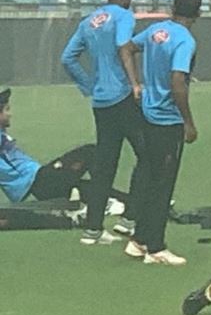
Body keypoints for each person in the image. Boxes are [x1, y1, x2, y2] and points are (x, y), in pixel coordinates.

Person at [60, 0, 148, 245]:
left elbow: (68, 58)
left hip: (101, 102)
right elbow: (124, 46)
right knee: (147, 155)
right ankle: (130, 218)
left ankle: (93, 230)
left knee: (105, 164)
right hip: (122, 96)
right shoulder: (123, 16)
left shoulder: (89, 22)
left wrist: (88, 85)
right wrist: (134, 83)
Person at [119, 0, 202, 266]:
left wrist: (136, 84)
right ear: (199, 13)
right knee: (163, 185)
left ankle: (139, 239)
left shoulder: (157, 31)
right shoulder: (185, 41)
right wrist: (188, 122)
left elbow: (128, 47)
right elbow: (178, 82)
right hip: (167, 121)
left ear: (172, 7)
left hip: (146, 115)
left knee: (151, 179)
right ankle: (155, 246)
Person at [0, 88, 128, 223]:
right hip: (39, 181)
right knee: (89, 152)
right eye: (6, 110)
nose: (10, 114)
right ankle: (106, 203)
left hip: (42, 180)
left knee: (87, 187)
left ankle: (131, 202)